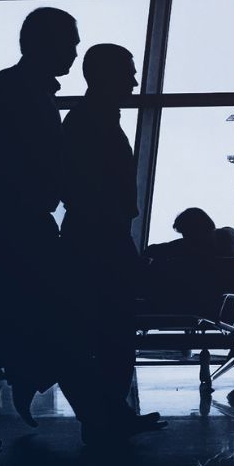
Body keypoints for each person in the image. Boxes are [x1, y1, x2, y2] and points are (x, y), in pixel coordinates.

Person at [0, 8, 151, 452]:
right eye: (69, 43)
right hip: (10, 233)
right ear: (43, 44)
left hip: (0, 231)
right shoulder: (20, 94)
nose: (74, 52)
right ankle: (98, 417)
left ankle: (96, 415)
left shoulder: (10, 91)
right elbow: (15, 171)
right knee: (57, 328)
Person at [48, 44, 162, 430]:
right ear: (105, 76)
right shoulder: (91, 123)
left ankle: (109, 415)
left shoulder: (89, 120)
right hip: (101, 239)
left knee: (107, 332)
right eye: (127, 72)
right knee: (110, 332)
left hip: (98, 235)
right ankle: (107, 416)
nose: (134, 80)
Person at [144, 207, 234, 263]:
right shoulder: (230, 237)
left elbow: (154, 250)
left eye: (185, 233)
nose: (185, 238)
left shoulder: (204, 244)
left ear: (193, 230)